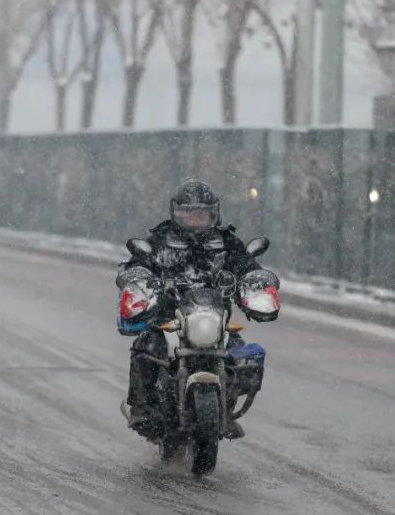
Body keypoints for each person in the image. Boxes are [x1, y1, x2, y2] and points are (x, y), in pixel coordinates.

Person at [117, 179, 279, 439]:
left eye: (201, 214)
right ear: (177, 214)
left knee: (240, 355)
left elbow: (246, 266)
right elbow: (139, 263)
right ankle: (142, 409)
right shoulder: (161, 240)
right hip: (168, 321)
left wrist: (254, 281)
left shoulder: (227, 243)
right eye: (190, 214)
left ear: (213, 214)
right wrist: (139, 276)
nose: (195, 220)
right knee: (146, 348)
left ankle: (226, 409)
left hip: (215, 320)